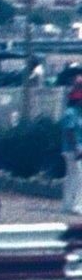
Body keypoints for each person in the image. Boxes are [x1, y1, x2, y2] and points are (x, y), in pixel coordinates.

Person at [61, 85, 82, 215]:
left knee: (72, 176)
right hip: (73, 149)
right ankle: (76, 205)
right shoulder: (71, 113)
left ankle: (68, 204)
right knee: (78, 177)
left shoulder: (77, 112)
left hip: (74, 148)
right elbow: (69, 131)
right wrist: (77, 148)